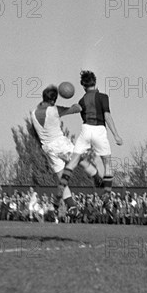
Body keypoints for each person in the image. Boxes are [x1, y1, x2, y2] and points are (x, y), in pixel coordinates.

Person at [31, 84, 102, 212]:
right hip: (59, 143)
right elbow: (76, 109)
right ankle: (97, 178)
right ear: (53, 100)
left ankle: (72, 206)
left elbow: (35, 133)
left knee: (61, 178)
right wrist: (77, 103)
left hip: (47, 148)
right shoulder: (54, 110)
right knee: (80, 159)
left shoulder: (33, 113)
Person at [57, 70, 123, 202]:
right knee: (107, 164)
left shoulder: (82, 100)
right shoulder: (103, 97)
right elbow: (107, 116)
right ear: (95, 82)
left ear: (83, 86)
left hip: (86, 130)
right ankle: (107, 194)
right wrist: (116, 135)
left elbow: (74, 109)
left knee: (73, 161)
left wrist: (59, 111)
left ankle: (61, 188)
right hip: (99, 130)